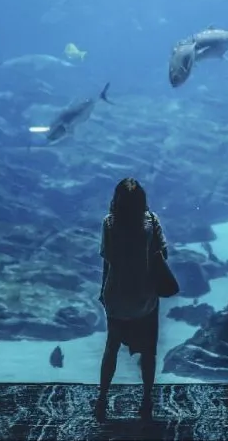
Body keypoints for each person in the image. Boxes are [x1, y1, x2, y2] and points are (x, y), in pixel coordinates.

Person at [94, 177, 167, 423]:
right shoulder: (151, 221)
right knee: (149, 352)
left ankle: (102, 400)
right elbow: (163, 253)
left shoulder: (109, 223)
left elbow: (108, 259)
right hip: (145, 296)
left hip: (117, 294)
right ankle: (147, 400)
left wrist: (103, 291)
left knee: (111, 347)